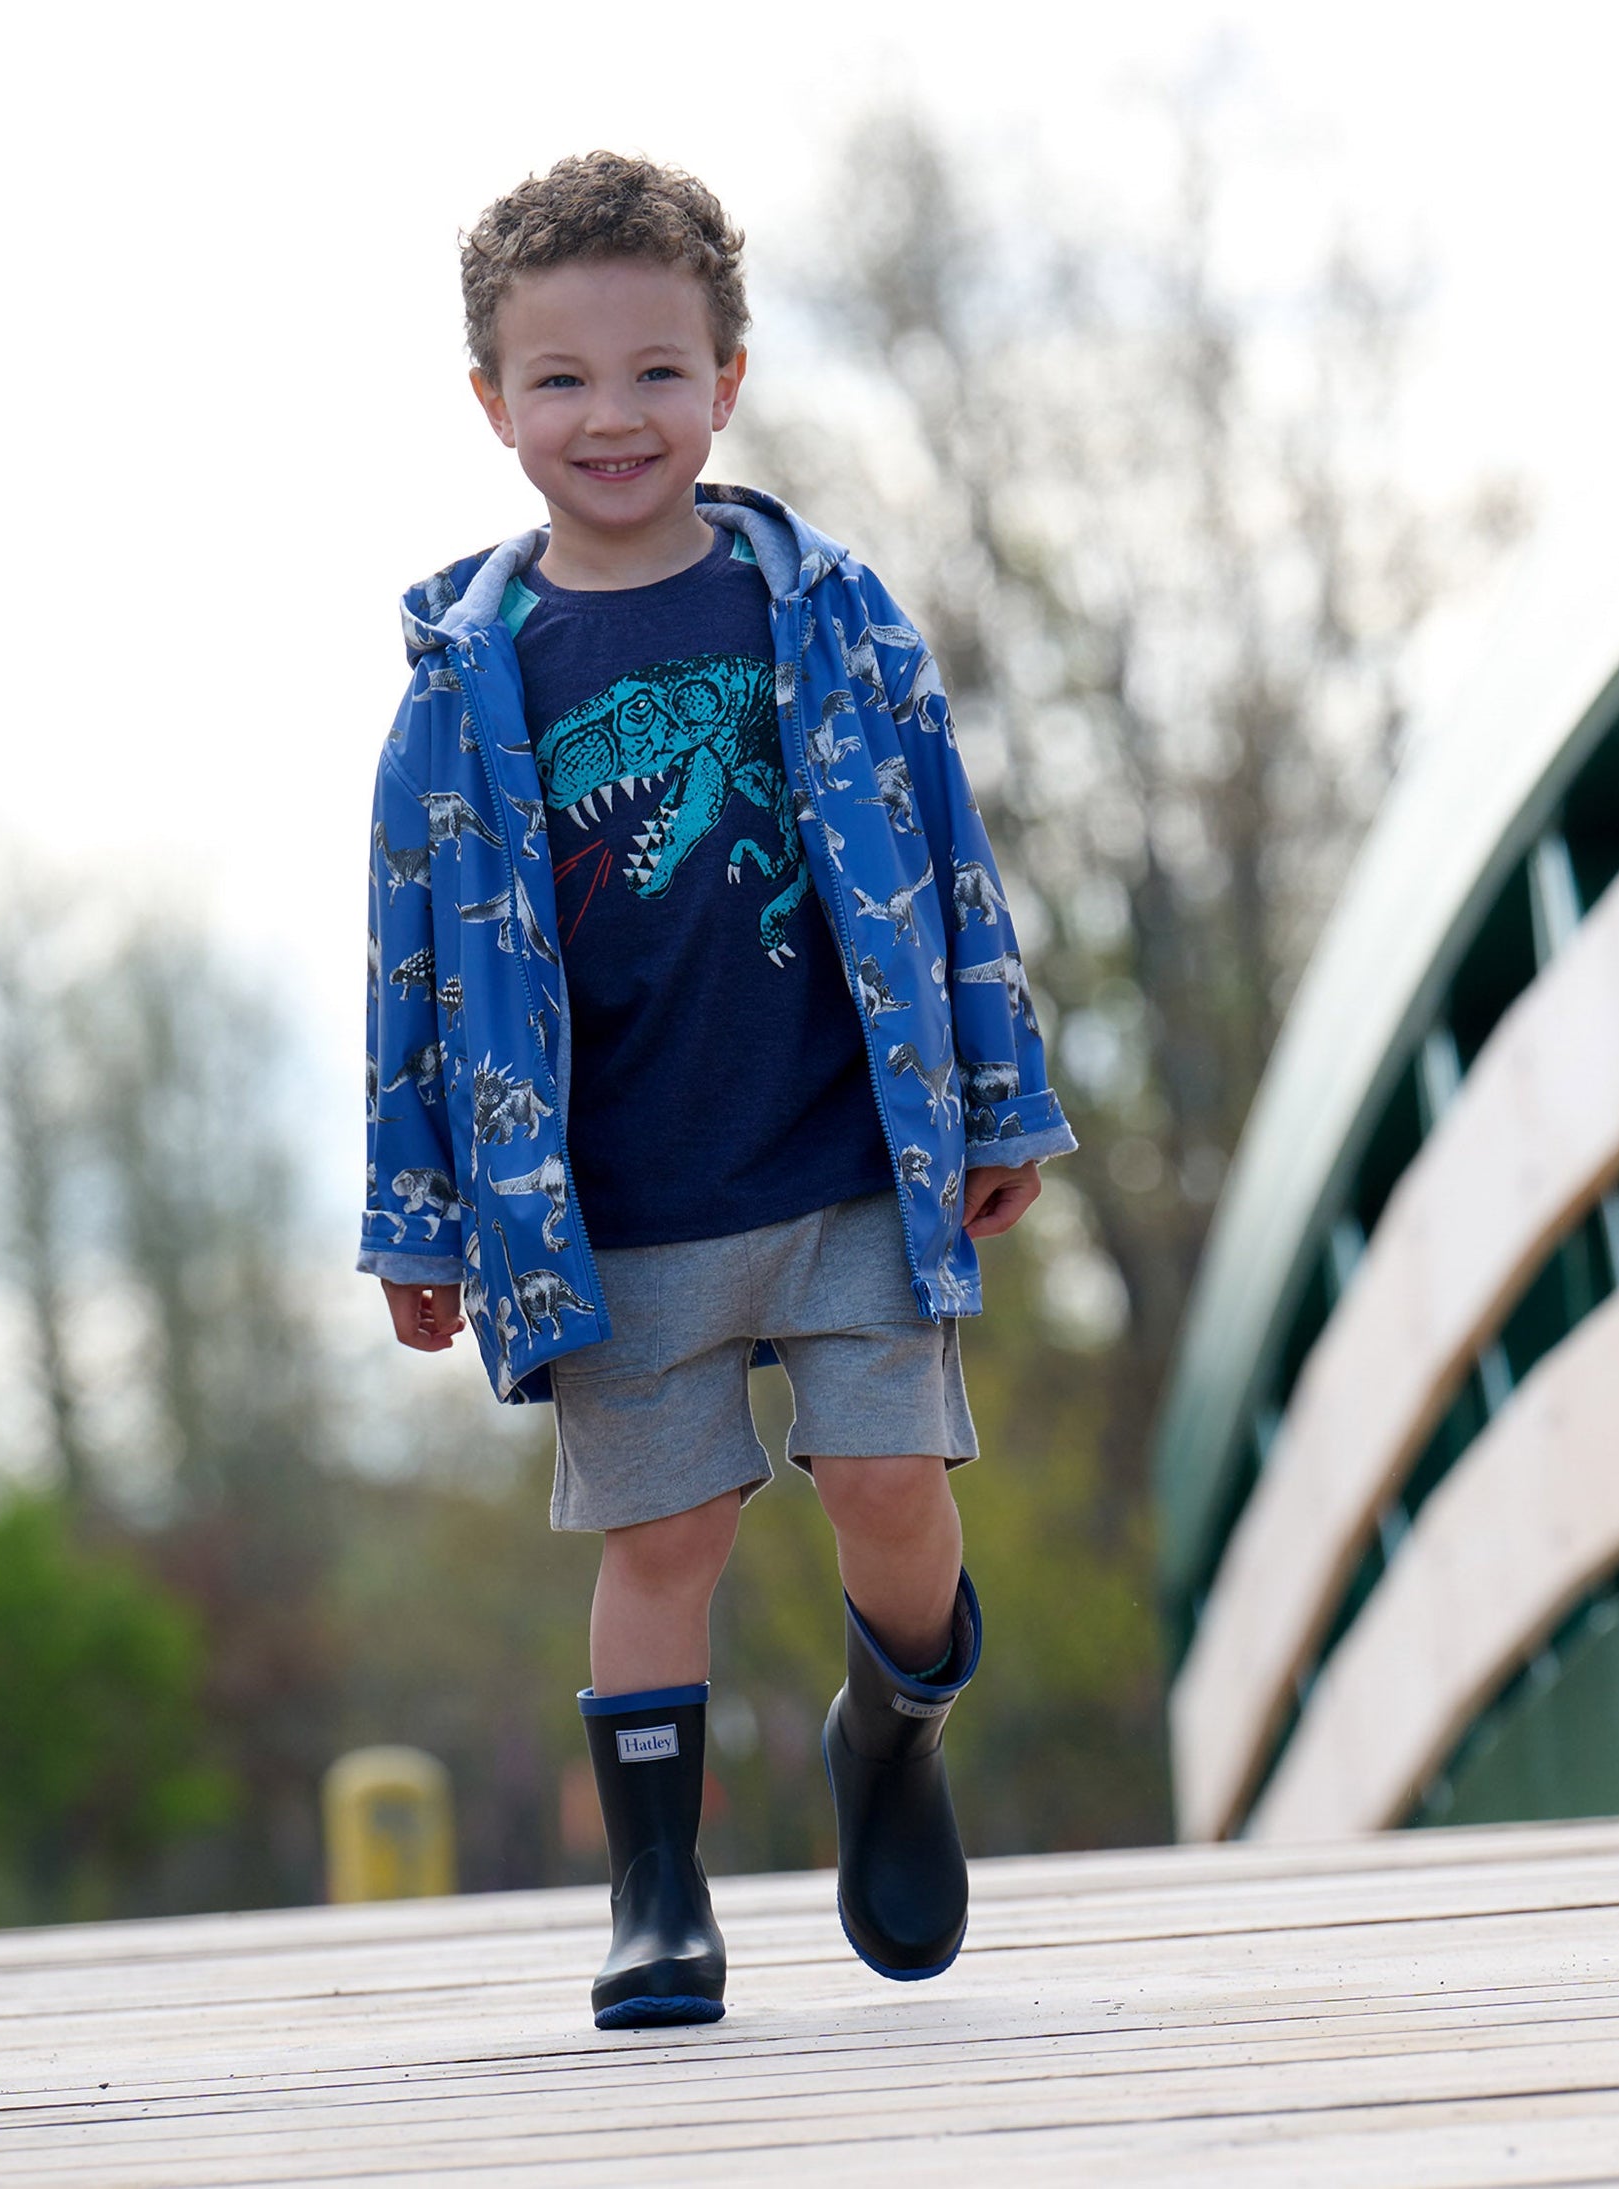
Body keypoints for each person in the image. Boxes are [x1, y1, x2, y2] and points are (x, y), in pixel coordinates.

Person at [359, 152, 1076, 2030]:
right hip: (614, 1201)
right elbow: (412, 968)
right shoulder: (462, 681)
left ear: (728, 380)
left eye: (659, 372)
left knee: (891, 1490)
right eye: (564, 379)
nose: (615, 417)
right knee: (662, 1540)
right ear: (493, 404)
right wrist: (420, 1209)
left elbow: (942, 849)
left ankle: (892, 1736)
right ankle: (656, 1888)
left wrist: (997, 1093)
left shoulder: (823, 613)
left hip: (845, 1156)